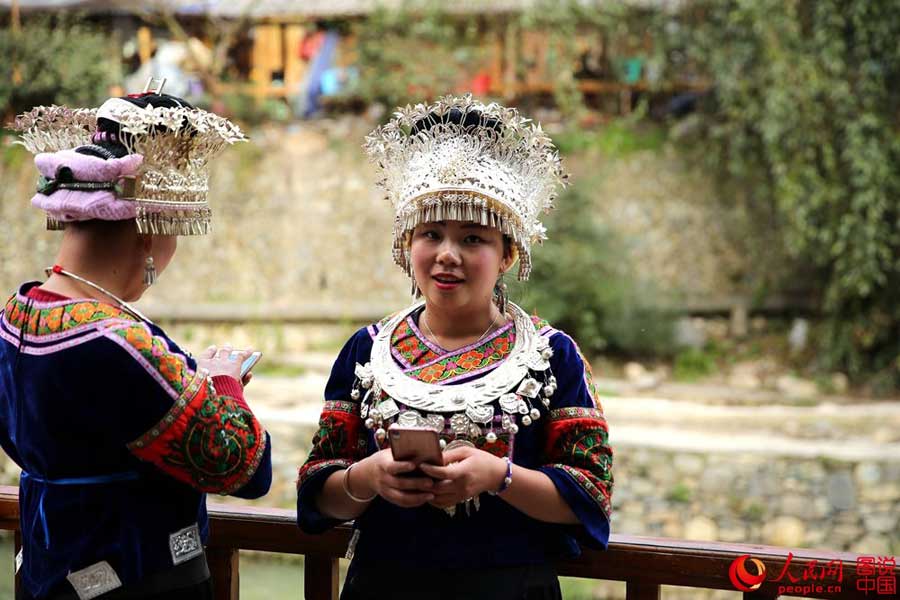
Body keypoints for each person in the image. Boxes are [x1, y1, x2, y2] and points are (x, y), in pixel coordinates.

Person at [297, 94, 613, 599]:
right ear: (407, 245)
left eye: (472, 239)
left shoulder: (554, 356)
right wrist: (369, 477)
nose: (447, 255)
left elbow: (591, 497)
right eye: (431, 234)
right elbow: (318, 491)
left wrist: (499, 476)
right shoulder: (366, 350)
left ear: (509, 253)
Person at [1, 88, 272, 599]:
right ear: (150, 230)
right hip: (138, 580)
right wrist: (224, 384)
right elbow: (243, 465)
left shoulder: (13, 316)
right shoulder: (116, 342)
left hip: (48, 571)